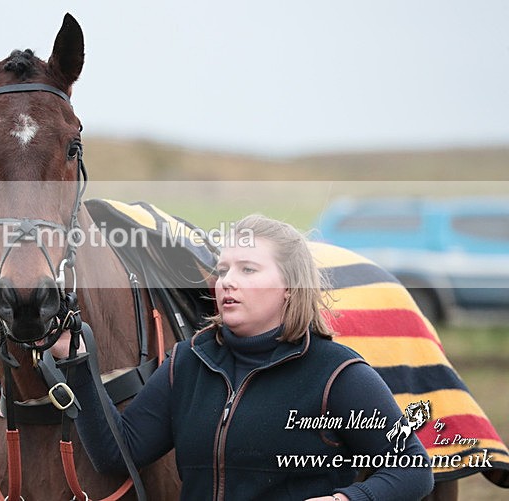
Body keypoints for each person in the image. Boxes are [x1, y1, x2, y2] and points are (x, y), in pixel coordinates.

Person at [51, 214, 435, 501]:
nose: (227, 281)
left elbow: (413, 469)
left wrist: (348, 499)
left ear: (290, 285)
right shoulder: (187, 362)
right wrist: (78, 363)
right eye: (223, 270)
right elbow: (117, 454)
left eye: (248, 269)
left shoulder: (337, 373)